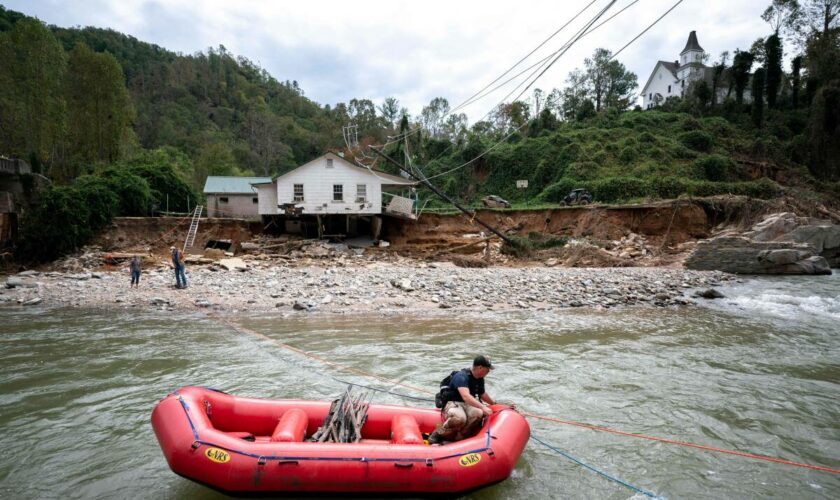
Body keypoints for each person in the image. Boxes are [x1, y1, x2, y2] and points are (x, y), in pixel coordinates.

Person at [428, 355, 496, 445]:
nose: (489, 371)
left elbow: (482, 394)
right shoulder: (461, 376)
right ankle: (437, 432)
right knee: (460, 418)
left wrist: (494, 404)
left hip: (466, 404)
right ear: (480, 367)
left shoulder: (480, 379)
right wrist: (483, 407)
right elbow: (466, 396)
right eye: (488, 369)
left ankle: (458, 438)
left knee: (478, 413)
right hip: (452, 403)